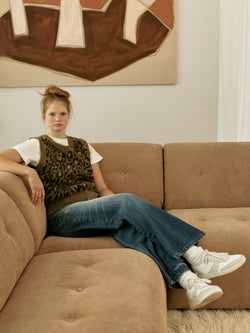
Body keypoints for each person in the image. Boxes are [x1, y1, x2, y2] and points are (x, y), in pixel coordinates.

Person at [0, 85, 246, 309]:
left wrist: (124, 210)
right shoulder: (35, 145)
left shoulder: (84, 146)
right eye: (52, 114)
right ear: (44, 116)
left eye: (62, 114)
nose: (57, 119)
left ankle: (190, 281)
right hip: (61, 216)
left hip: (94, 210)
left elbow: (104, 190)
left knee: (135, 229)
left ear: (69, 115)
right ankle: (195, 254)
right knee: (126, 202)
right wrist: (27, 171)